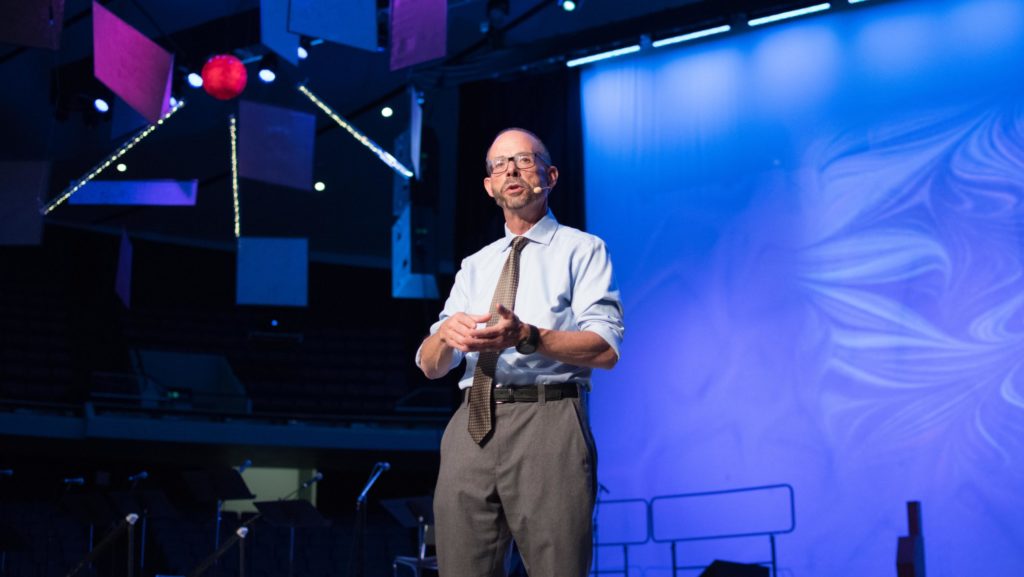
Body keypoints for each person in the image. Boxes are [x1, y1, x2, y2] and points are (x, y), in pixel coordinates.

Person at [416, 127, 624, 577]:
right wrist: (443, 337)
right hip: (471, 422)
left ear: (549, 175)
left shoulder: (582, 250)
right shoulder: (475, 264)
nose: (510, 170)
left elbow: (605, 349)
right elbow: (432, 366)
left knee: (557, 568)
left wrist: (526, 336)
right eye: (499, 165)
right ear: (490, 186)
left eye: (524, 161)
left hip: (547, 419)